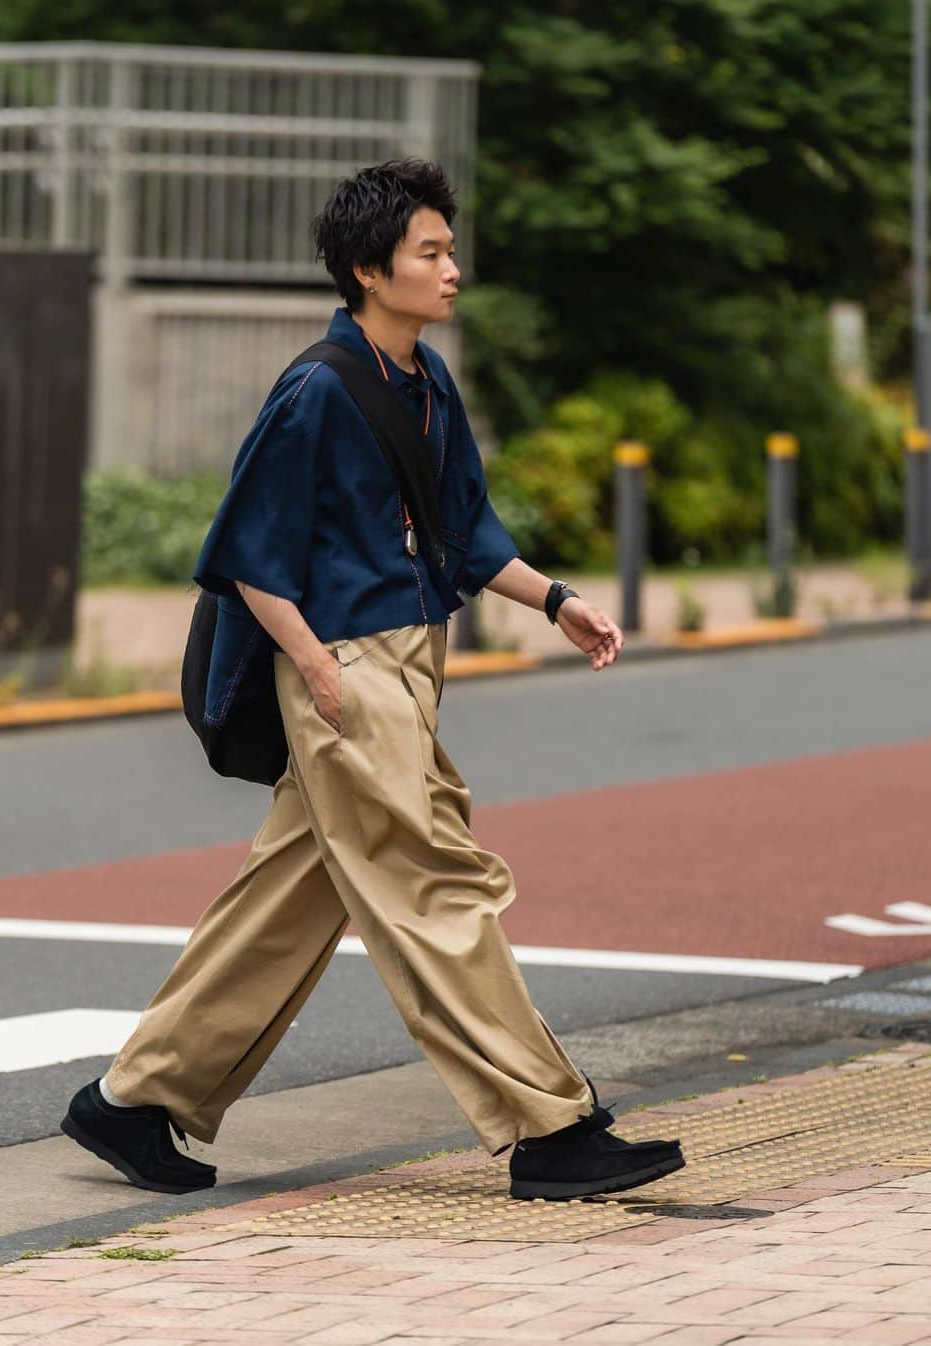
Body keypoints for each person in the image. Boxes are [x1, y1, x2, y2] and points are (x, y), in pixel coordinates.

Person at [61, 159, 684, 1202]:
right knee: (434, 879)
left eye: (448, 248)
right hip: (342, 663)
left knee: (293, 896)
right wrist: (314, 670)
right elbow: (250, 553)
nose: (452, 269)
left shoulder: (428, 381)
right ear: (367, 269)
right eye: (430, 252)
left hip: (408, 655)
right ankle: (549, 1123)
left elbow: (467, 530)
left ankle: (133, 1098)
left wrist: (555, 598)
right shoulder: (317, 388)